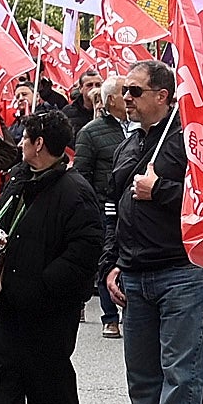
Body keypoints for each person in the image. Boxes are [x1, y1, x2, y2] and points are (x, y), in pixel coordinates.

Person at [106, 60, 203, 404]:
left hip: (180, 270)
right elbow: (116, 207)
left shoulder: (190, 138)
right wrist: (110, 263)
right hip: (134, 271)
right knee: (143, 376)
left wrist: (163, 191)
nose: (126, 98)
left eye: (134, 90)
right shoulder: (131, 142)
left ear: (163, 95)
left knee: (180, 372)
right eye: (125, 91)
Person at [0, 106, 103, 404]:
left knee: (49, 369)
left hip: (50, 299)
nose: (19, 144)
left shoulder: (75, 190)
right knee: (4, 365)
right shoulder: (20, 178)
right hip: (15, 291)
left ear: (39, 144)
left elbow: (85, 248)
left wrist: (46, 283)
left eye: (25, 138)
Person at [74, 75, 128, 338]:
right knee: (107, 257)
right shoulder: (91, 132)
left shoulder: (142, 127)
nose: (130, 96)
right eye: (124, 91)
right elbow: (81, 174)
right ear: (110, 101)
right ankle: (109, 316)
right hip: (103, 205)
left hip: (133, 205)